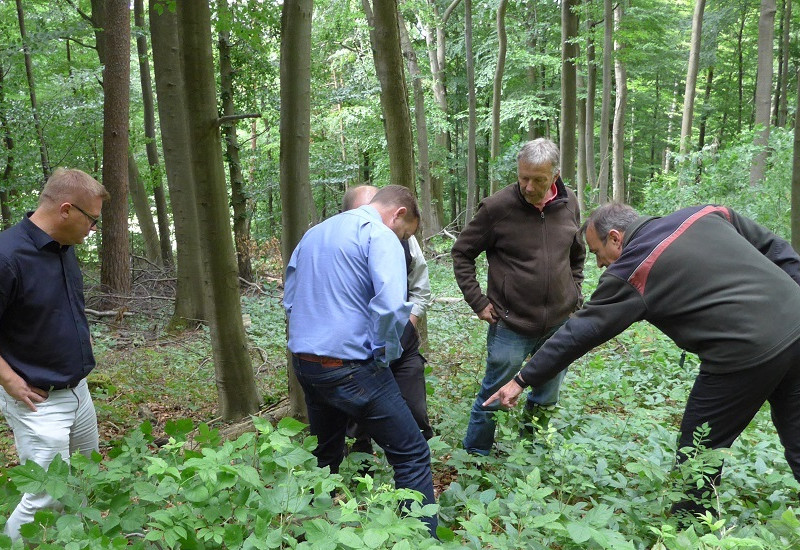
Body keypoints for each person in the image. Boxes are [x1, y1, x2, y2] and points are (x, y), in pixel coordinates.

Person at [486, 202, 800, 518]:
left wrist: (522, 379)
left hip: (743, 352)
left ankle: (690, 530)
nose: (598, 264)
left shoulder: (635, 268)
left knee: (698, 449)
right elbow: (776, 249)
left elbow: (580, 331)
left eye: (597, 253)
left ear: (615, 238)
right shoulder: (705, 213)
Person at [284, 185, 438, 535]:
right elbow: (389, 306)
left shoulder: (314, 233)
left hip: (306, 366)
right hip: (352, 368)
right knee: (412, 453)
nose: (402, 241)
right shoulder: (379, 234)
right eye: (406, 232)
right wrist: (384, 355)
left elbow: (290, 298)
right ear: (398, 214)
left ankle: (307, 535)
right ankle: (422, 539)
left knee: (324, 457)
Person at [451, 138, 585, 456]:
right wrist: (478, 301)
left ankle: (531, 450)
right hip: (510, 321)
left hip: (558, 322)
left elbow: (577, 254)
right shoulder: (498, 207)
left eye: (537, 179)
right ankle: (476, 454)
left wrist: (575, 293)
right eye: (523, 177)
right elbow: (462, 253)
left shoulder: (570, 204)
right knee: (496, 389)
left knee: (546, 390)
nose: (527, 186)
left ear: (554, 176)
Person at [0, 168, 110, 541]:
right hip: (37, 399)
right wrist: (10, 380)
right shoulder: (6, 256)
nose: (93, 228)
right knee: (45, 497)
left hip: (79, 393)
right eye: (91, 219)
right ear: (66, 209)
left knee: (84, 476)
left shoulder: (65, 248)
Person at [342, 185, 433, 453]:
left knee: (414, 407)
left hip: (400, 342)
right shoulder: (338, 239)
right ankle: (362, 463)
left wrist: (408, 324)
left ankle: (417, 455)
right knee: (355, 415)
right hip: (355, 347)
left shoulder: (404, 238)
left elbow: (420, 287)